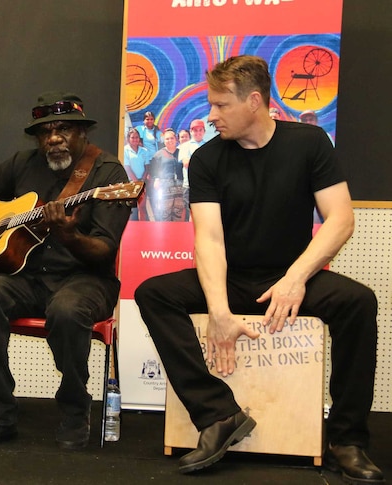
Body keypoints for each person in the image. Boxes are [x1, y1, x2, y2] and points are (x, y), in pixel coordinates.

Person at [134, 55, 383, 483]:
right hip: (231, 278)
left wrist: (296, 278)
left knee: (358, 302)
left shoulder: (310, 143)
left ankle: (346, 439)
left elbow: (340, 219)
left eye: (220, 105)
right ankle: (217, 415)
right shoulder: (209, 159)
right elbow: (209, 239)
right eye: (210, 105)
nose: (211, 115)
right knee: (153, 293)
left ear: (254, 101)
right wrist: (219, 313)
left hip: (290, 276)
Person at [0, 92, 131, 450]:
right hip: (29, 278)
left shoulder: (108, 175)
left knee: (66, 310)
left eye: (63, 129)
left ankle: (73, 410)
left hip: (85, 279)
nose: (53, 138)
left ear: (82, 133)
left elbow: (104, 250)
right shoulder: (24, 163)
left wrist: (68, 234)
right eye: (45, 132)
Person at [145, 128, 183, 221]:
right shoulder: (158, 155)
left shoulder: (181, 152)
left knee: (178, 212)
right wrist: (156, 180)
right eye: (167, 139)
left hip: (180, 186)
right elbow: (154, 170)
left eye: (172, 138)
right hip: (165, 187)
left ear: (176, 139)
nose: (170, 141)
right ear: (164, 141)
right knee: (164, 213)